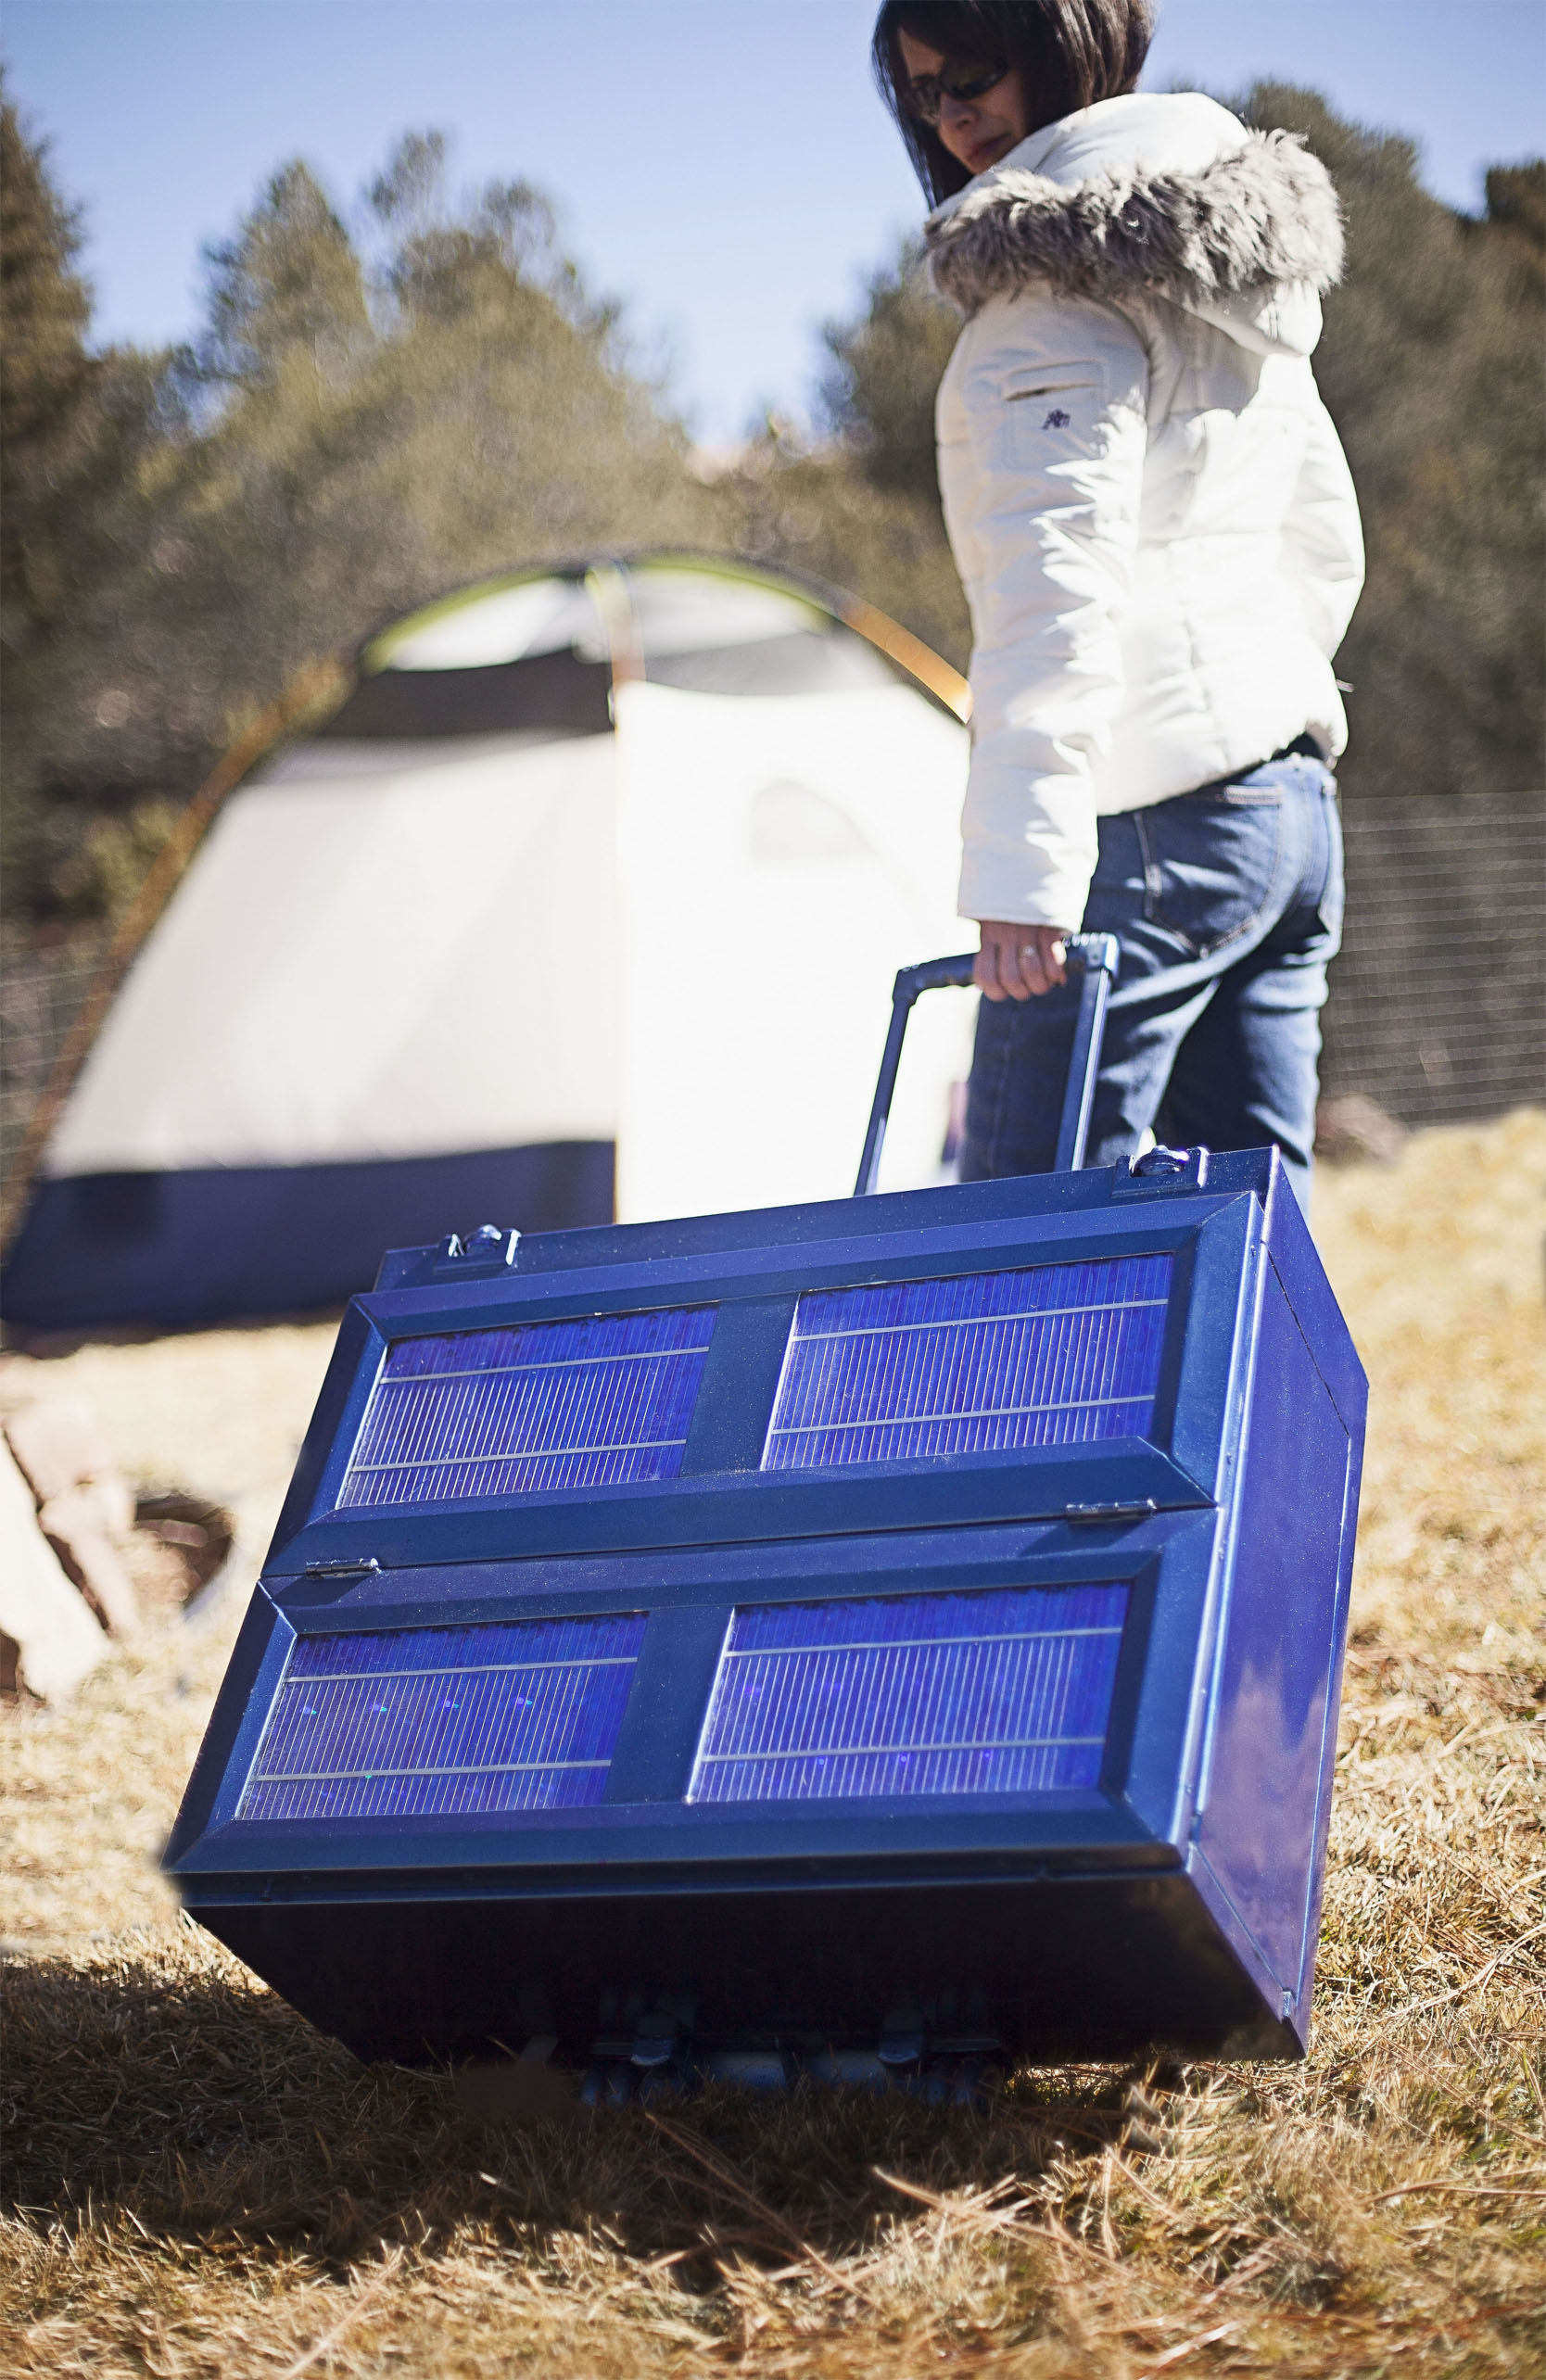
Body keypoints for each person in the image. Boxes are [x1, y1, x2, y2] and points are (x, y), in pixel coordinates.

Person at [871, 1, 1364, 1208]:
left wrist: (1023, 883)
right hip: (1285, 808)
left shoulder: (1049, 298)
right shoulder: (1245, 275)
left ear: (1067, 44)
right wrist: (1275, 726)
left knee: (1022, 1260)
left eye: (974, 72)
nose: (952, 115)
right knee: (1243, 1258)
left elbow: (1055, 586)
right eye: (923, 92)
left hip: (1140, 833)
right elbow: (1323, 536)